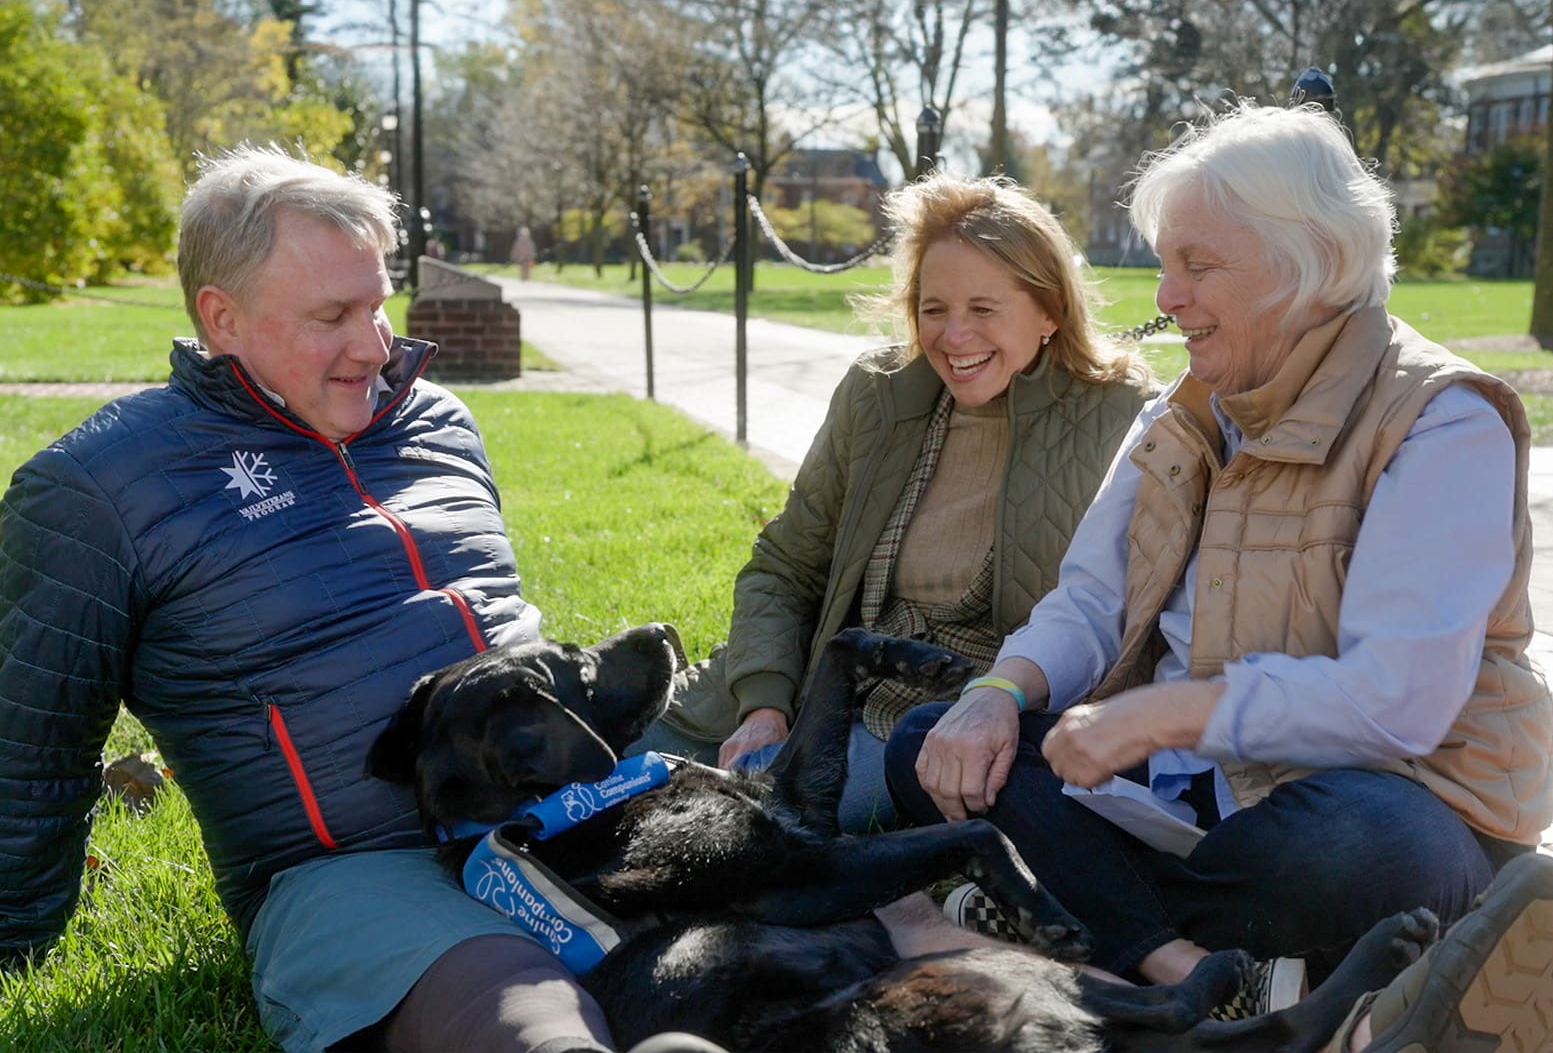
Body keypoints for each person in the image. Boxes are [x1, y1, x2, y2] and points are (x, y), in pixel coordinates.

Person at [884, 103, 1553, 1034]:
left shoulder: (1441, 421)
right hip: (1188, 805)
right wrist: (1000, 687)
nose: (1166, 295)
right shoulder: (1178, 412)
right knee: (932, 739)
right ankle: (1191, 968)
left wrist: (1170, 710)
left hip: (1387, 806)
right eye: (1166, 262)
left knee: (1368, 845)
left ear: (1308, 265)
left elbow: (1396, 702)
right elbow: (1088, 601)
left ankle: (1059, 916)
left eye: (1198, 266)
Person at [0, 146, 676, 1053]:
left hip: (574, 809)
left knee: (804, 937)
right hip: (352, 876)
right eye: (332, 316)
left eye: (376, 302)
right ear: (222, 317)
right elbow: (28, 749)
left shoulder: (436, 421)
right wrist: (13, 943)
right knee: (528, 1013)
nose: (377, 344)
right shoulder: (100, 489)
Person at [643, 171, 1156, 831]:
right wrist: (762, 703)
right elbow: (784, 567)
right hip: (811, 684)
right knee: (588, 768)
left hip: (928, 724)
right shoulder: (877, 394)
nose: (952, 336)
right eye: (932, 307)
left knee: (721, 835)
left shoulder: (1118, 417)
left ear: (1049, 309)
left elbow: (1116, 623)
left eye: (983, 309)